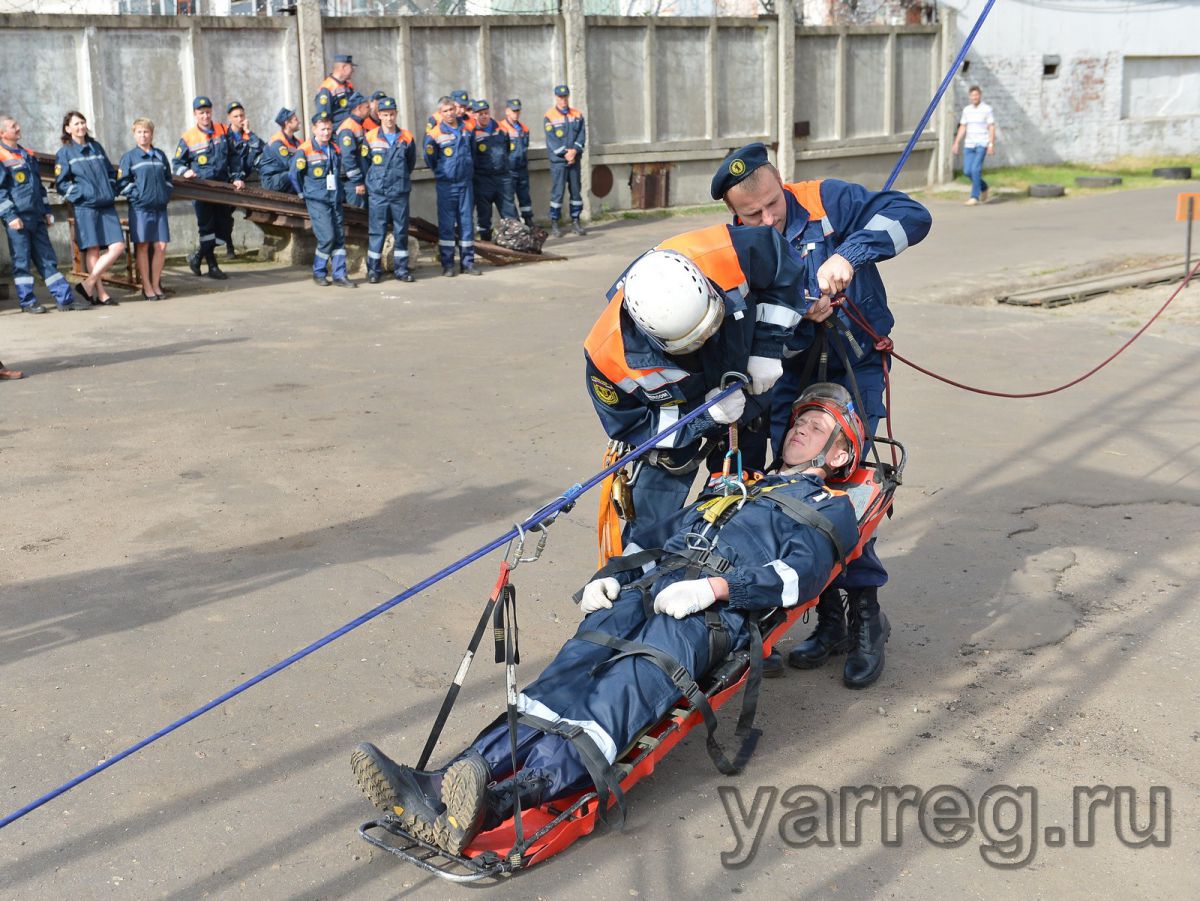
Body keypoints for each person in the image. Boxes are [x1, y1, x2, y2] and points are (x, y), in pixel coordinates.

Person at [350, 384, 863, 856]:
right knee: (570, 671)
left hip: (708, 611)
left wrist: (716, 588)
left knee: (623, 686)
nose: (800, 428)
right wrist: (616, 572)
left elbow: (798, 578)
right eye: (800, 420)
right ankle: (446, 783)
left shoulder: (828, 507)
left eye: (817, 427)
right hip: (651, 585)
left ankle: (496, 801)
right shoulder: (738, 483)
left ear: (838, 455)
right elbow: (664, 531)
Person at [710, 141, 931, 687]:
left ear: (781, 181)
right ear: (733, 213)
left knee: (847, 488)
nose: (766, 219)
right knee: (796, 493)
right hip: (786, 379)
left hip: (854, 366)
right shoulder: (735, 243)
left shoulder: (828, 199)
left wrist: (849, 254)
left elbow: (912, 215)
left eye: (772, 207)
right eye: (751, 215)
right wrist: (792, 313)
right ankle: (828, 619)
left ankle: (865, 620)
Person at [584, 223, 808, 545]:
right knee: (646, 537)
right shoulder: (608, 357)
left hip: (747, 403)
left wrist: (767, 349)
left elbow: (782, 267)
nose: (706, 341)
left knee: (738, 511)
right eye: (693, 342)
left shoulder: (727, 252)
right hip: (673, 440)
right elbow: (633, 425)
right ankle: (631, 587)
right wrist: (704, 417)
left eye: (709, 328)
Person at [0, 114, 76, 313]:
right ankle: (28, 302)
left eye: (17, 123)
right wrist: (10, 217)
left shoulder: (27, 154)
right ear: (2, 133)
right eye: (13, 126)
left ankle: (65, 299)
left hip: (36, 216)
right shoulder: (1, 156)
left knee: (47, 258)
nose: (18, 127)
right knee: (22, 262)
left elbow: (39, 187)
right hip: (18, 218)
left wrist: (47, 211)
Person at [55, 110, 124, 307]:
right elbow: (62, 184)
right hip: (86, 207)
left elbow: (111, 172)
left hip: (106, 205)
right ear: (68, 129)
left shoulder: (96, 147)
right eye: (76, 124)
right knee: (92, 249)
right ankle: (100, 294)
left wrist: (111, 188)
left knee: (118, 246)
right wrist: (82, 195)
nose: (80, 127)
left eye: (82, 122)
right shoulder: (65, 153)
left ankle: (88, 283)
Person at [173, 96, 245, 281]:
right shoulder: (188, 137)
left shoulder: (223, 130)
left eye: (207, 112)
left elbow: (234, 157)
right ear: (195, 115)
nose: (205, 116)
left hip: (221, 189)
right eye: (201, 113)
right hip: (201, 190)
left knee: (224, 229)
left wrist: (237, 177)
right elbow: (176, 163)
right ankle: (213, 266)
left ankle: (197, 257)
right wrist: (186, 171)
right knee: (207, 229)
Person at [289, 111, 355, 289]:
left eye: (328, 128)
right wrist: (303, 194)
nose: (326, 132)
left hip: (334, 198)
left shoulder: (335, 148)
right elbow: (294, 174)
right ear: (314, 129)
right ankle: (319, 272)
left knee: (339, 238)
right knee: (327, 237)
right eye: (322, 129)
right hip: (317, 199)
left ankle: (340, 274)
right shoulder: (305, 150)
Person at [116, 118, 173, 302]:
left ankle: (156, 284)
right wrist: (138, 197)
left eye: (146, 132)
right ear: (134, 135)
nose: (143, 135)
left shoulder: (160, 155)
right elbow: (122, 184)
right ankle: (146, 286)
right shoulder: (129, 157)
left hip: (159, 208)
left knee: (161, 246)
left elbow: (168, 180)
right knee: (142, 246)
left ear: (152, 134)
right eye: (139, 132)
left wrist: (164, 194)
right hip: (140, 209)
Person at [362, 96, 416, 284]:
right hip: (378, 193)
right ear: (379, 115)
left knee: (401, 231)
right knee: (377, 231)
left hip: (399, 193)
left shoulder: (407, 137)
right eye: (385, 115)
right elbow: (364, 164)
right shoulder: (369, 137)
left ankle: (401, 269)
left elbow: (410, 163)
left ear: (396, 114)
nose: (389, 118)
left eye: (392, 114)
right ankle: (374, 270)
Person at [424, 96, 479, 277]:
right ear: (440, 113)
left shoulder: (468, 128)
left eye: (451, 110)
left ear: (456, 110)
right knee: (447, 225)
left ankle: (468, 263)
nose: (449, 114)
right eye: (445, 111)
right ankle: (448, 264)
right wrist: (442, 172)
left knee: (466, 223)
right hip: (446, 185)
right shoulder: (434, 133)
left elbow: (473, 152)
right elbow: (430, 158)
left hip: (465, 184)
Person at [220, 100, 264, 257]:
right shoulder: (224, 136)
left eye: (242, 115)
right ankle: (229, 247)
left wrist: (249, 131)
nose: (240, 118)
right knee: (225, 216)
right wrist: (233, 177)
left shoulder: (248, 135)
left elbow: (261, 148)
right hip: (229, 180)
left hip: (246, 180)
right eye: (236, 116)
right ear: (229, 118)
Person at [470, 99, 516, 243]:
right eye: (480, 114)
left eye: (486, 113)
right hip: (482, 180)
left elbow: (507, 148)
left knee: (509, 213)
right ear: (474, 115)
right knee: (484, 215)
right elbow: (471, 155)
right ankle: (486, 242)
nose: (483, 116)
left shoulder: (501, 129)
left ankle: (512, 242)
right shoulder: (472, 133)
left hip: (502, 178)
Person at [544, 84, 586, 237]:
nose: (563, 100)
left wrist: (574, 151)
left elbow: (581, 135)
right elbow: (552, 140)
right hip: (558, 162)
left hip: (574, 160)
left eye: (565, 97)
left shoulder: (577, 114)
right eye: (560, 97)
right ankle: (555, 223)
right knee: (557, 193)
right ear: (556, 97)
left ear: (568, 97)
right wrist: (565, 153)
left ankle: (576, 221)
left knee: (576, 192)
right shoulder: (549, 116)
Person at [952, 85, 995, 206]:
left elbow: (991, 127)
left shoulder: (987, 109)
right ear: (970, 97)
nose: (974, 97)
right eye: (972, 95)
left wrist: (991, 144)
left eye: (976, 95)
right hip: (969, 145)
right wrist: (956, 142)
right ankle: (984, 187)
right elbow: (963, 126)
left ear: (980, 95)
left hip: (982, 143)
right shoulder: (967, 110)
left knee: (975, 170)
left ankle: (974, 197)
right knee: (967, 171)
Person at [498, 98, 533, 226]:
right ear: (507, 111)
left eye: (518, 111)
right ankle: (516, 222)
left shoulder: (524, 128)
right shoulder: (502, 128)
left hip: (522, 168)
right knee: (509, 198)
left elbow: (525, 146)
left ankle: (528, 220)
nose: (516, 113)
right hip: (509, 170)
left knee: (524, 196)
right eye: (513, 111)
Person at [336, 92, 371, 210]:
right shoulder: (348, 128)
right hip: (352, 182)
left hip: (359, 178)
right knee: (357, 215)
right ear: (359, 108)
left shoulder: (359, 125)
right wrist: (357, 182)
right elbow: (348, 157)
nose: (369, 108)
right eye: (367, 107)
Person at [258, 107, 302, 194]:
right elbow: (290, 163)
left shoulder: (297, 142)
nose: (299, 121)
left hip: (283, 177)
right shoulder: (277, 142)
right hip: (272, 180)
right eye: (295, 119)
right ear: (287, 123)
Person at [315, 54, 357, 129]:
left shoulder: (348, 85)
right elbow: (324, 118)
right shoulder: (327, 88)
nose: (353, 70)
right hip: (337, 135)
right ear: (344, 67)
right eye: (351, 67)